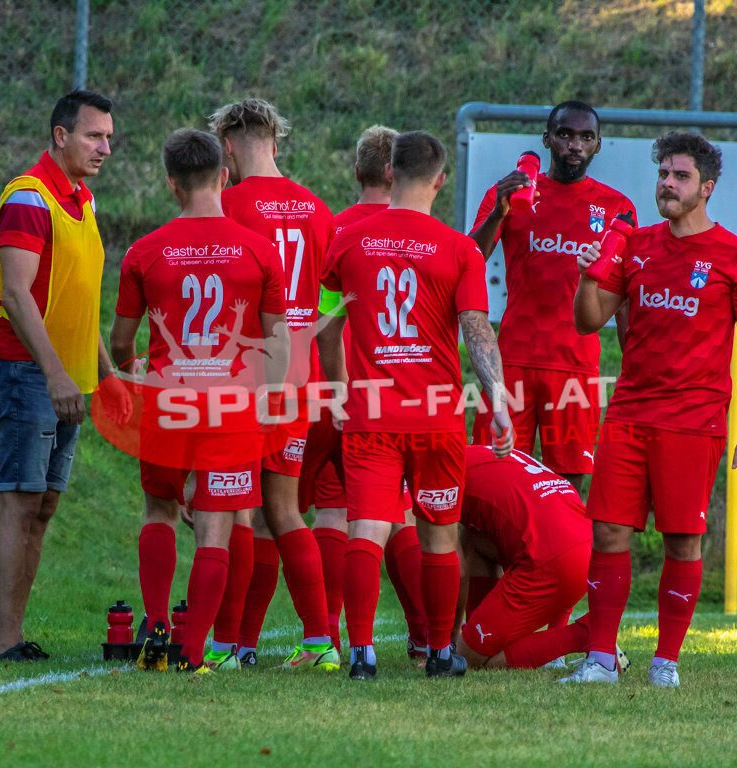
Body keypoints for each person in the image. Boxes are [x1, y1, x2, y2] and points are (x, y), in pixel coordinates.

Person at [567, 132, 737, 687]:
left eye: (680, 176)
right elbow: (589, 320)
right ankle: (600, 660)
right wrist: (588, 274)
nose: (667, 184)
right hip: (629, 413)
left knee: (682, 541)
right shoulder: (635, 245)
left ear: (707, 188)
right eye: (663, 174)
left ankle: (666, 663)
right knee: (608, 533)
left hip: (694, 421)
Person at [320, 130, 514, 680]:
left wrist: (339, 388)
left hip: (371, 413)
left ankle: (361, 654)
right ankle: (438, 652)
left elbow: (326, 323)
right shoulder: (460, 248)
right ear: (441, 180)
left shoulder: (348, 240)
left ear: (388, 173)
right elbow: (476, 329)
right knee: (439, 534)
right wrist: (498, 399)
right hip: (436, 418)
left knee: (366, 529)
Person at [109, 129, 289, 673]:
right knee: (216, 527)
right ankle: (193, 654)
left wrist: (132, 373)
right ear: (224, 176)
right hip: (231, 405)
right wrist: (269, 398)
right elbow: (276, 342)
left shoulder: (144, 251)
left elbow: (120, 342)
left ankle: (156, 627)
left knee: (159, 510)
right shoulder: (259, 250)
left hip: (168, 400)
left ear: (172, 184)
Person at [0, 90, 130, 661]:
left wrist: (107, 374)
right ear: (61, 136)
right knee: (20, 500)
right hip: (26, 371)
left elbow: (78, 300)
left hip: (65, 376)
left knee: (43, 507)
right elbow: (16, 295)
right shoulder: (28, 198)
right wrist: (56, 374)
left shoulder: (83, 199)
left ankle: (15, 636)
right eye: (94, 136)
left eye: (109, 137)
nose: (105, 148)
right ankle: (2, 643)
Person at [206, 98, 337, 670]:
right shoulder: (318, 209)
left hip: (245, 375)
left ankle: (227, 644)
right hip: (300, 376)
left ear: (227, 148)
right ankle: (319, 639)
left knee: (235, 509)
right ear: (275, 143)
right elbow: (328, 304)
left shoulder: (228, 205)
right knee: (283, 511)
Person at [304, 124, 430, 656]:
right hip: (401, 391)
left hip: (335, 386)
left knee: (335, 512)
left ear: (359, 172)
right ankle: (427, 637)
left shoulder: (332, 229)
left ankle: (329, 639)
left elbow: (319, 317)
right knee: (400, 514)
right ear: (397, 174)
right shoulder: (424, 232)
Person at [469, 101, 635, 492]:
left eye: (586, 137)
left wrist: (634, 366)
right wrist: (498, 211)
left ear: (598, 145)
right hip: (511, 360)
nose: (575, 145)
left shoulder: (616, 207)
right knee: (491, 478)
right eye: (564, 135)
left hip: (575, 365)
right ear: (547, 139)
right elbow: (470, 259)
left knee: (567, 486)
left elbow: (623, 297)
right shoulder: (511, 193)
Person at [453, 445, 600, 670]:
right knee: (474, 540)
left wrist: (447, 637)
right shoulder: (475, 454)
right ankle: (481, 633)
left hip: (552, 557)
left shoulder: (440, 473)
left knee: (465, 661)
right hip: (583, 540)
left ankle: (585, 634)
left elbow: (452, 566)